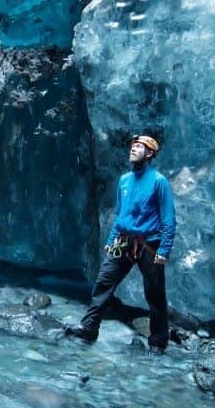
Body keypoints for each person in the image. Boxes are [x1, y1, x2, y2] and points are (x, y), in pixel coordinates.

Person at [67, 134, 176, 352]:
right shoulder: (124, 180)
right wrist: (111, 240)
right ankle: (89, 327)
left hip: (149, 244)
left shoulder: (158, 182)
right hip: (124, 241)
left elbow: (169, 219)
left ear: (150, 154)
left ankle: (158, 342)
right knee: (103, 283)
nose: (133, 149)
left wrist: (164, 250)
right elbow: (121, 214)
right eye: (133, 146)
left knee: (154, 294)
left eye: (139, 147)